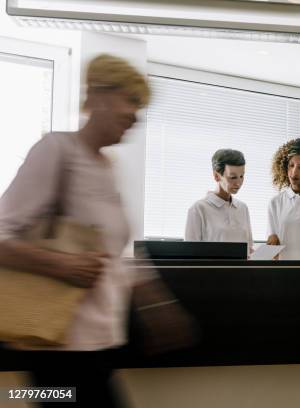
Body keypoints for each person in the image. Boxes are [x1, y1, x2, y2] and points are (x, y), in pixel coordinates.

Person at [0, 54, 192, 407]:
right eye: (131, 101)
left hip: (98, 342)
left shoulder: (106, 167)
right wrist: (59, 265)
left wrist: (158, 305)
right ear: (100, 96)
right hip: (56, 344)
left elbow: (117, 255)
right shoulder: (56, 150)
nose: (136, 116)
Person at [185, 149, 253, 253]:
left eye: (242, 176)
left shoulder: (243, 208)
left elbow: (249, 249)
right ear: (216, 176)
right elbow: (190, 254)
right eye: (233, 177)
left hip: (241, 269)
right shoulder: (198, 209)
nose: (238, 183)